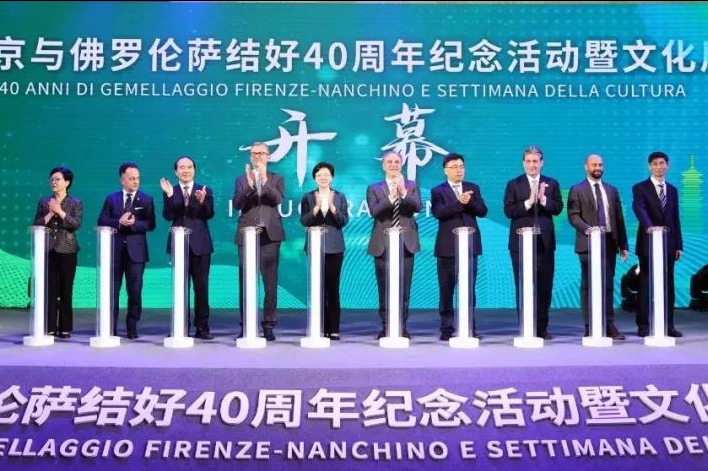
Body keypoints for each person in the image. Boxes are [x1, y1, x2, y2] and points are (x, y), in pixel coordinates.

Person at [503, 145, 563, 340]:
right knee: (523, 285)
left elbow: (558, 208)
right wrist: (529, 201)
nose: (532, 165)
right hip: (520, 244)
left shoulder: (551, 183)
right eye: (528, 161)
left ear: (541, 163)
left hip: (544, 243)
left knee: (544, 287)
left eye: (535, 161)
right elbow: (509, 211)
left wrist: (543, 199)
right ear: (523, 163)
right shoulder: (513, 184)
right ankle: (526, 327)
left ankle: (542, 328)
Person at [567, 154, 629, 340]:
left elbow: (618, 218)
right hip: (588, 243)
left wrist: (623, 245)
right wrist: (589, 229)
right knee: (589, 285)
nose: (598, 168)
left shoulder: (611, 190)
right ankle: (590, 326)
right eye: (594, 165)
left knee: (607, 284)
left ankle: (609, 324)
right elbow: (573, 215)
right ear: (586, 167)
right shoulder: (577, 189)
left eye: (600, 165)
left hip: (609, 242)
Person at [431, 152, 488, 341]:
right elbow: (438, 213)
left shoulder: (473, 188)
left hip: (470, 246)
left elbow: (482, 211)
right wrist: (458, 202)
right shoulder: (438, 190)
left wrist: (469, 201)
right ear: (445, 170)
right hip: (447, 248)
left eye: (461, 167)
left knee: (469, 288)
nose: (459, 170)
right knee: (446, 290)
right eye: (454, 167)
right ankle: (446, 328)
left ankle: (469, 326)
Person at [366, 151, 422, 339]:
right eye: (389, 162)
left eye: (397, 162)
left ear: (401, 164)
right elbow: (375, 212)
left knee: (404, 288)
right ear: (383, 165)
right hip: (383, 243)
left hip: (406, 242)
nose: (393, 165)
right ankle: (387, 326)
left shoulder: (411, 185)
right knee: (384, 288)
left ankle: (401, 326)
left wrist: (403, 191)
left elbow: (417, 206)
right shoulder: (374, 188)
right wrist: (390, 196)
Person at [232, 142, 285, 341]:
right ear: (250, 157)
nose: (258, 156)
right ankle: (246, 324)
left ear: (268, 156)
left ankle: (269, 325)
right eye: (254, 153)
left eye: (262, 153)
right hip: (246, 235)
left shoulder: (277, 178)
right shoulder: (241, 179)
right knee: (245, 281)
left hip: (270, 237)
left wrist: (263, 179)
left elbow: (277, 199)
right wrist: (249, 185)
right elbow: (237, 204)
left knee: (270, 284)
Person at [97, 162, 156, 339]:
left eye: (137, 178)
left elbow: (150, 224)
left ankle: (132, 327)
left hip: (136, 253)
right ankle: (110, 327)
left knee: (135, 291)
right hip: (114, 252)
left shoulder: (146, 199)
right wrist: (119, 222)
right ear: (122, 180)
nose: (135, 181)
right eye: (131, 178)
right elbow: (101, 220)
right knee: (112, 291)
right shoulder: (111, 199)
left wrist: (134, 224)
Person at [160, 156, 215, 340]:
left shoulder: (204, 190)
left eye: (189, 167)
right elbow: (168, 215)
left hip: (201, 246)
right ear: (176, 172)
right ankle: (180, 326)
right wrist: (169, 196)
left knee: (201, 288)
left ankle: (202, 327)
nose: (186, 170)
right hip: (178, 245)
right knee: (180, 288)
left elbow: (209, 214)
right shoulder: (171, 190)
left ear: (194, 170)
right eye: (182, 167)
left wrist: (203, 201)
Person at [632, 151, 683, 338]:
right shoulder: (640, 188)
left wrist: (679, 245)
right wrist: (652, 229)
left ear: (667, 165)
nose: (659, 167)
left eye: (662, 163)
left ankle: (668, 325)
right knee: (645, 284)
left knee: (668, 285)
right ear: (649, 166)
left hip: (669, 244)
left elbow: (675, 219)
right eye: (655, 164)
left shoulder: (673, 190)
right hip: (648, 243)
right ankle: (643, 325)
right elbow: (640, 209)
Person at [299, 162, 349, 340]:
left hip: (335, 247)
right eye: (319, 175)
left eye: (326, 174)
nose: (323, 177)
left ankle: (333, 328)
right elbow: (304, 221)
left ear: (332, 177)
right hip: (315, 246)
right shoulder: (308, 197)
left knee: (332, 288)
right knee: (317, 288)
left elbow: (343, 221)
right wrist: (316, 208)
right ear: (314, 178)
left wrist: (333, 208)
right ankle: (318, 327)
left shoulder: (340, 197)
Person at [32, 167, 83, 338]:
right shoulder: (44, 201)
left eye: (58, 179)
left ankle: (65, 327)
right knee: (50, 290)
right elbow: (36, 224)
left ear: (67, 182)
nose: (54, 182)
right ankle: (50, 326)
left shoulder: (75, 202)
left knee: (66, 289)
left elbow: (75, 224)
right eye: (52, 179)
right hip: (48, 250)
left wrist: (60, 211)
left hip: (68, 250)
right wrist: (49, 213)